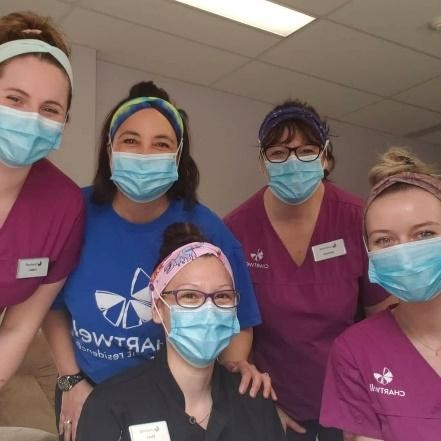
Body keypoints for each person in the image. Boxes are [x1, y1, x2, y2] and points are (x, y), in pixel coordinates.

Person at [43, 81, 265, 441]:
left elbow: (240, 320)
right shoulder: (74, 214)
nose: (145, 154)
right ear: (109, 148)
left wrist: (233, 375)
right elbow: (49, 306)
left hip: (170, 402)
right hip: (84, 387)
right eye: (131, 140)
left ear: (178, 156)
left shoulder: (207, 229)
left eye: (160, 144)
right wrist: (70, 381)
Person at [224, 100, 392, 440]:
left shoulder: (358, 218)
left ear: (326, 157)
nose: (293, 161)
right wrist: (258, 406)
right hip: (273, 404)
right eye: (279, 152)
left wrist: (366, 406)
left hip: (353, 400)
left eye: (307, 150)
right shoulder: (237, 229)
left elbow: (383, 320)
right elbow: (237, 333)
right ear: (263, 163)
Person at [76, 222, 284, 441]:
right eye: (189, 296)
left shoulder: (254, 400)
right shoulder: (112, 407)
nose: (209, 310)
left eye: (222, 296)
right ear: (157, 308)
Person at [320, 147, 441, 441]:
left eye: (424, 234)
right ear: (369, 254)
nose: (404, 253)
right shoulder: (357, 350)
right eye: (384, 240)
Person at [0, 11, 83, 390]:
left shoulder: (63, 206)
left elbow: (18, 329)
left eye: (50, 109)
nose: (31, 119)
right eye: (14, 99)